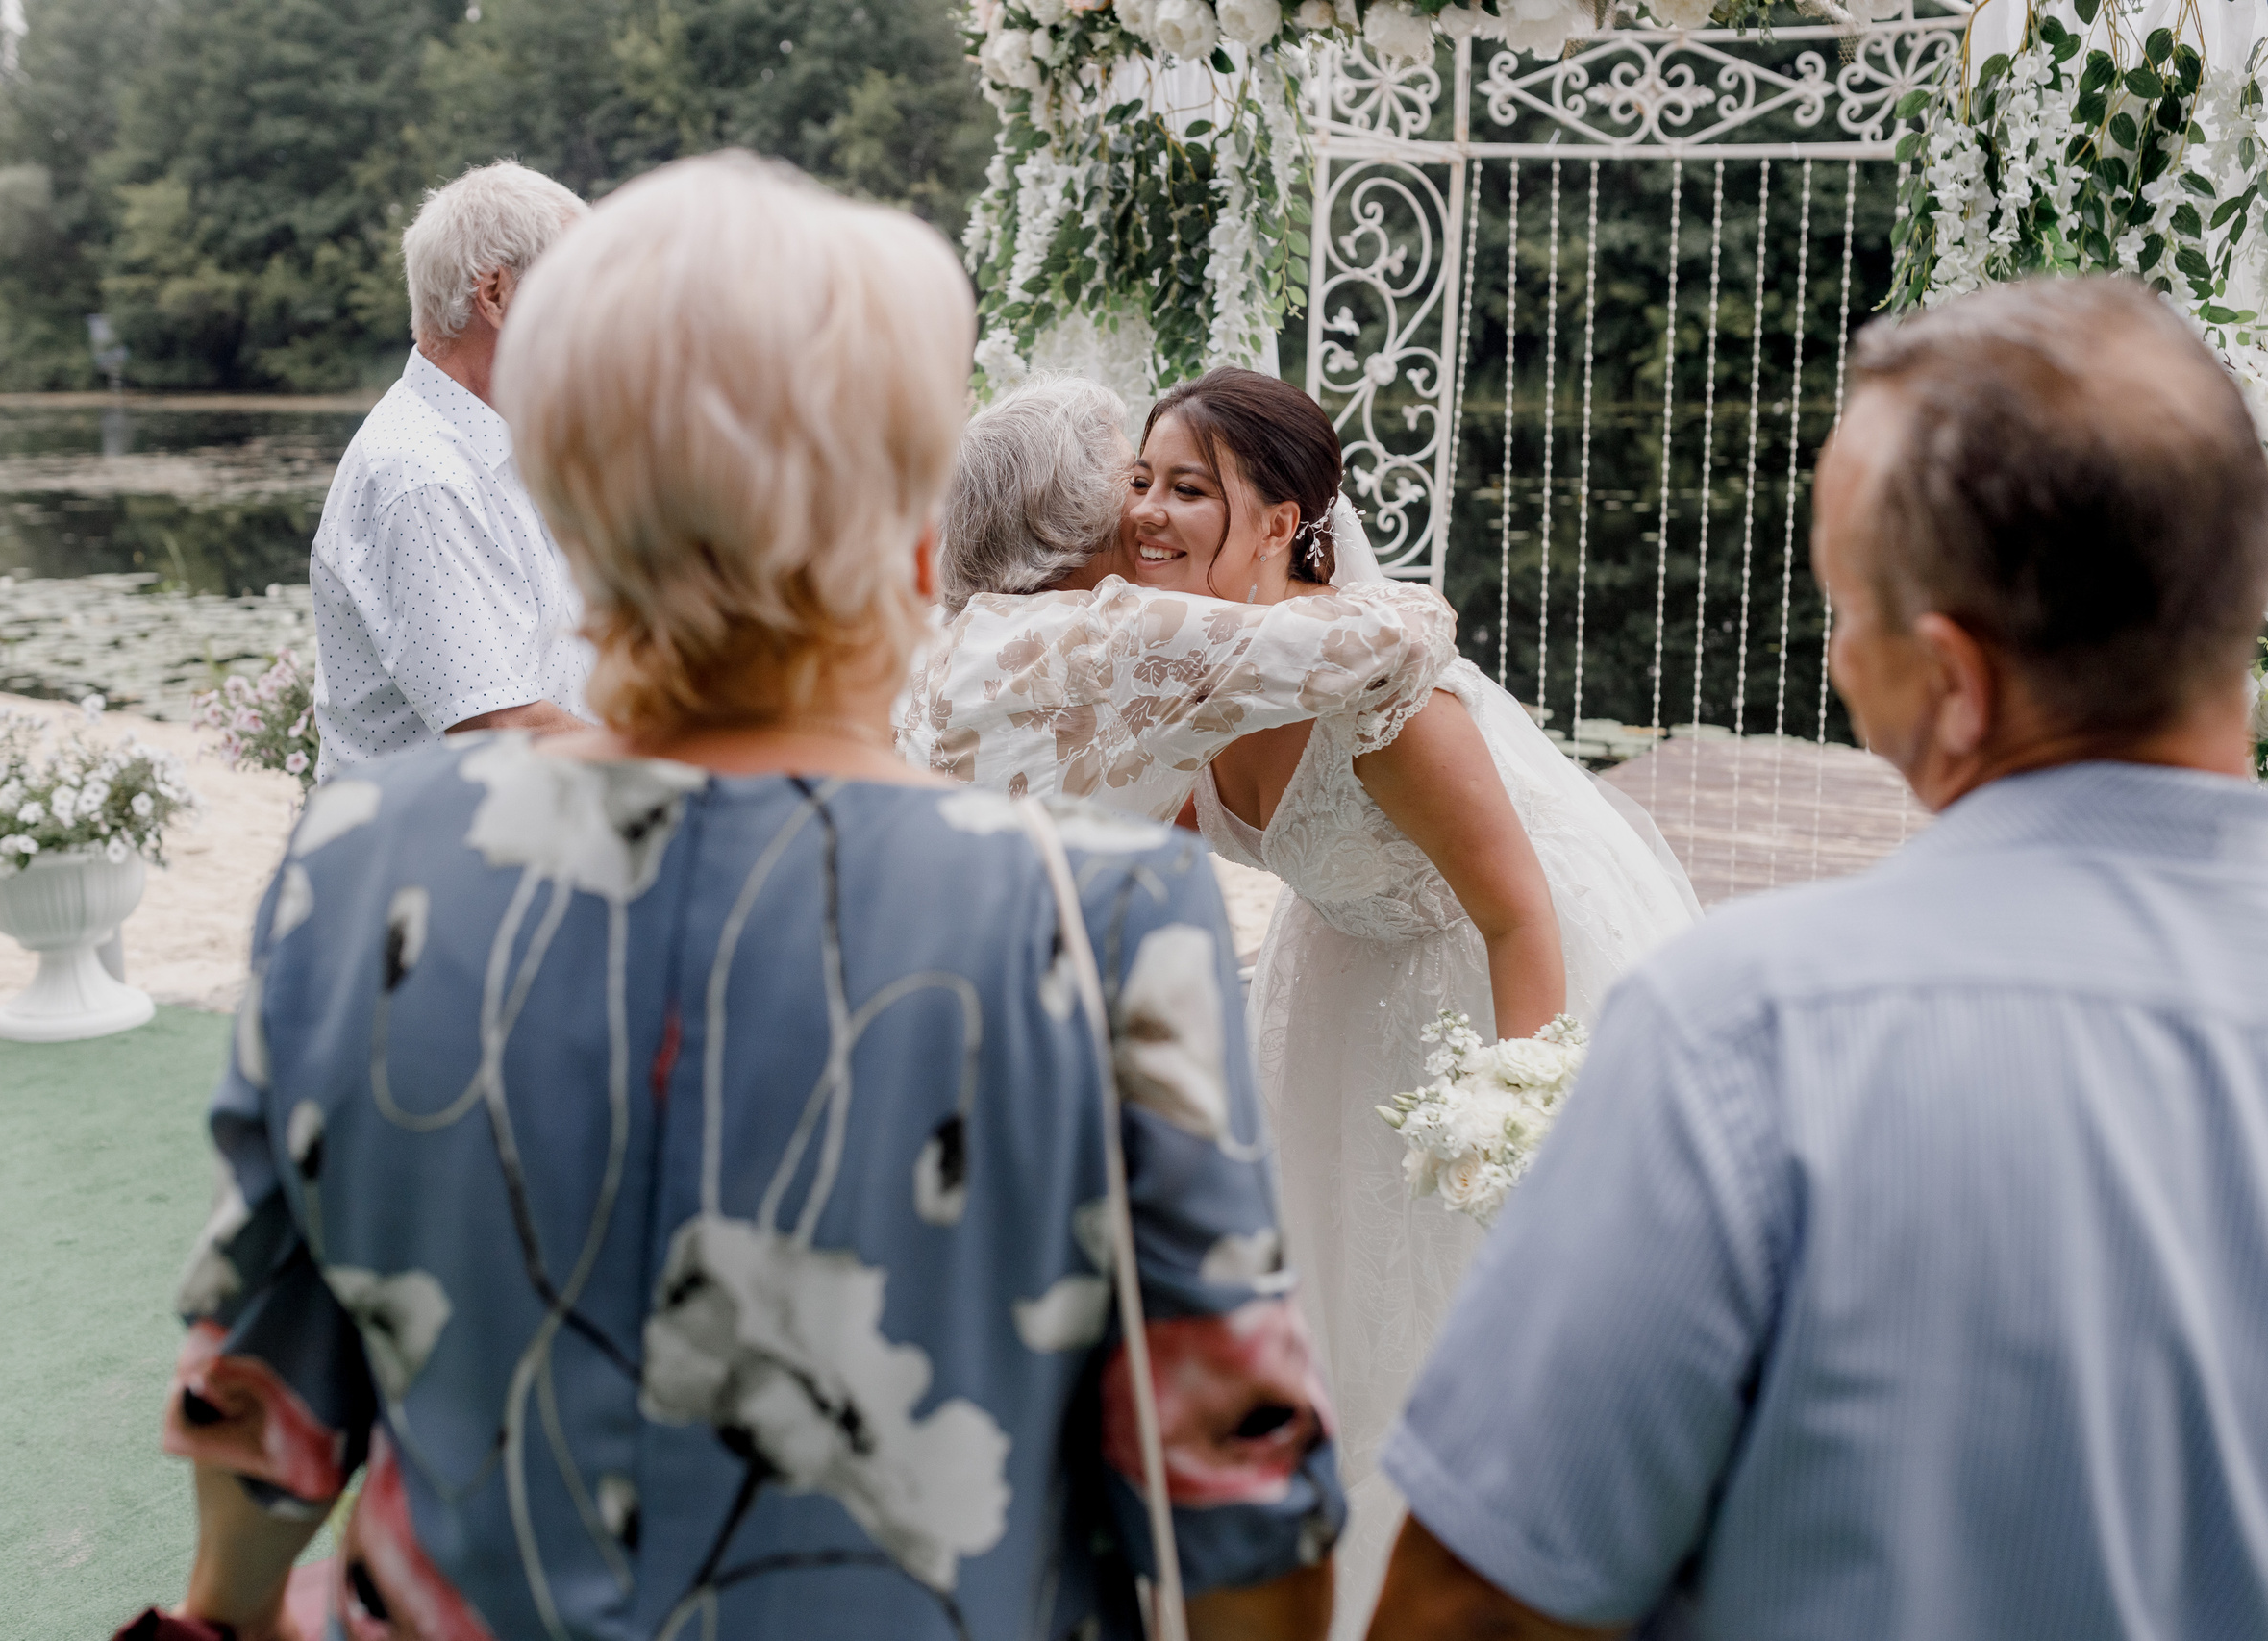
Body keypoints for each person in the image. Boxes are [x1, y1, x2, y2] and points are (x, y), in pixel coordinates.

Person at [137, 152, 1344, 1641]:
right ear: (913, 547)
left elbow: (259, 1391)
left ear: (576, 516)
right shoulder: (1100, 914)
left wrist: (227, 1615)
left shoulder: (355, 868)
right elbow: (1235, 1482)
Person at [1371, 276, 2268, 1641]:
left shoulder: (1745, 1031)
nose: (1837, 655)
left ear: (1957, 682)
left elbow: (1476, 1610)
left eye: (1843, 611)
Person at [1121, 367, 1700, 1637]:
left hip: (1480, 983)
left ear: (1282, 522)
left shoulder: (1378, 682)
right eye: (1143, 480)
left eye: (1190, 489)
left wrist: (1514, 1116)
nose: (1151, 512)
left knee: (1454, 1322)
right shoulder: (1166, 667)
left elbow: (1518, 910)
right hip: (1332, 981)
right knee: (1330, 1319)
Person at [898, 374, 1461, 822]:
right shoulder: (1119, 632)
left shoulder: (921, 635)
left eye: (1175, 488)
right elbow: (1398, 635)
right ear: (1075, 514)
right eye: (1135, 483)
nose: (1145, 511)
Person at [309, 161, 596, 781]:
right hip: (428, 863)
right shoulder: (423, 475)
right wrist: (701, 767)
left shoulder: (501, 451)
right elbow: (501, 729)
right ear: (496, 294)